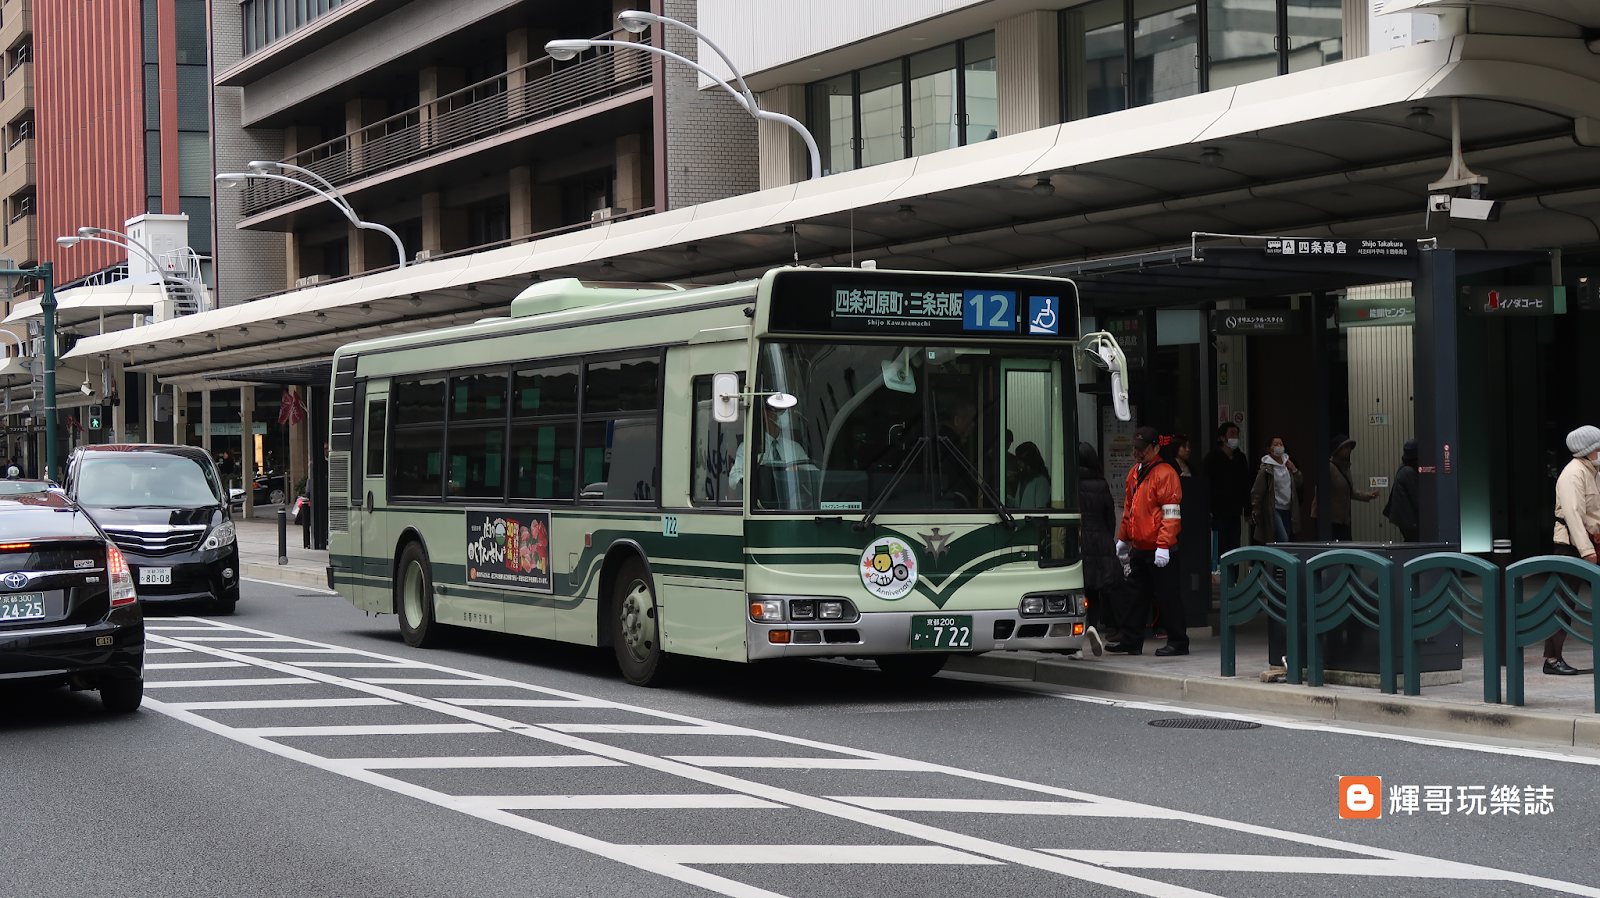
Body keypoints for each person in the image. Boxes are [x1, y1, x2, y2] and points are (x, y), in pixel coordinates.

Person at [1106, 426, 1187, 657]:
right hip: (1142, 546)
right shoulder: (1135, 473)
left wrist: (1164, 545)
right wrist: (1123, 539)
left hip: (1160, 547)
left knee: (1168, 596)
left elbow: (1171, 514)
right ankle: (1131, 640)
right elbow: (1129, 510)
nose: (1137, 452)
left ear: (1155, 448)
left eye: (1141, 448)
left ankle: (1179, 641)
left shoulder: (1165, 473)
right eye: (1135, 448)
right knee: (1135, 596)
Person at [1548, 425, 1600, 676]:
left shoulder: (1593, 470)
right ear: (1589, 450)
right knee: (1563, 601)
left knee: (1565, 600)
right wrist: (1587, 550)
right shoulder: (1573, 474)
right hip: (1573, 545)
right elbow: (1573, 515)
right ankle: (1552, 660)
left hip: (1591, 542)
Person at [1076, 442, 1121, 655]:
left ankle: (1076, 642)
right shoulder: (1102, 484)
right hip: (1101, 538)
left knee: (1077, 589)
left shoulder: (1071, 482)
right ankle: (1093, 625)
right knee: (1094, 591)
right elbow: (1110, 516)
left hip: (1080, 538)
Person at [729, 404, 813, 496]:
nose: (786, 415)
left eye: (786, 411)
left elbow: (814, 473)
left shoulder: (795, 448)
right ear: (766, 414)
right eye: (780, 412)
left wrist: (799, 469)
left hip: (792, 504)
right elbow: (733, 479)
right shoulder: (749, 447)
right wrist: (756, 478)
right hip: (760, 505)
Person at [1205, 423, 1252, 561]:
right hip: (1218, 510)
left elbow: (1245, 484)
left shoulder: (1240, 458)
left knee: (1234, 545)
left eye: (1237, 434)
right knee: (1221, 545)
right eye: (1232, 434)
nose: (1235, 437)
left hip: (1235, 509)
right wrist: (1208, 508)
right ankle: (1221, 577)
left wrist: (1247, 510)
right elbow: (1207, 484)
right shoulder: (1212, 458)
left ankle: (1234, 578)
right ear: (1222, 437)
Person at [1326, 434, 1379, 541]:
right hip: (1330, 519)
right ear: (1338, 449)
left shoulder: (1346, 467)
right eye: (1346, 447)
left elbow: (1349, 491)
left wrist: (1367, 495)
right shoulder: (1329, 467)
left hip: (1344, 519)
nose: (1349, 450)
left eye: (1350, 448)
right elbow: (1320, 491)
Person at [1251, 438, 1302, 543]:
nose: (1279, 446)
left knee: (1285, 538)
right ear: (1270, 449)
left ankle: (1273, 559)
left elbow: (1299, 482)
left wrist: (1294, 469)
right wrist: (1256, 506)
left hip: (1288, 508)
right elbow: (1258, 489)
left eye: (1281, 444)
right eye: (1276, 444)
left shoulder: (1287, 464)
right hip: (1273, 508)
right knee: (1283, 538)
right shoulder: (1266, 468)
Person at [1383, 439, 1422, 542]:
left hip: (1406, 520)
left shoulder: (1405, 468)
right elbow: (1418, 499)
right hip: (1410, 521)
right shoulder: (1409, 472)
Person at [1013, 442, 1051, 508]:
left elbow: (1041, 509)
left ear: (1027, 461)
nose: (1018, 462)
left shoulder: (1041, 482)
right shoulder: (1023, 479)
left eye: (1020, 460)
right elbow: (1019, 504)